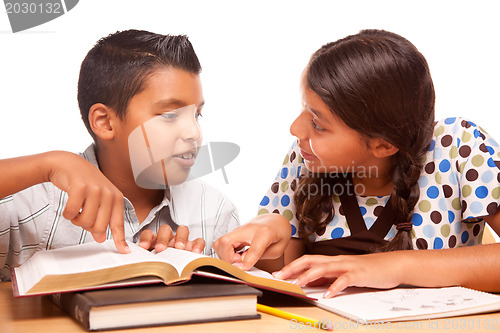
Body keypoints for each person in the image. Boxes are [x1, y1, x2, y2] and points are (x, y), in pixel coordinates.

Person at [213, 29, 500, 297]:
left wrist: (393, 267)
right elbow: (286, 272)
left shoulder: (458, 146)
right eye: (304, 110)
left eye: (318, 123)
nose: (296, 129)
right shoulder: (310, 157)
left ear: (383, 145)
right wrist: (272, 231)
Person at [0, 30, 239, 281]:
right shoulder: (36, 203)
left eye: (196, 115)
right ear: (104, 122)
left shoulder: (217, 212)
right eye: (169, 115)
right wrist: (48, 164)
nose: (194, 132)